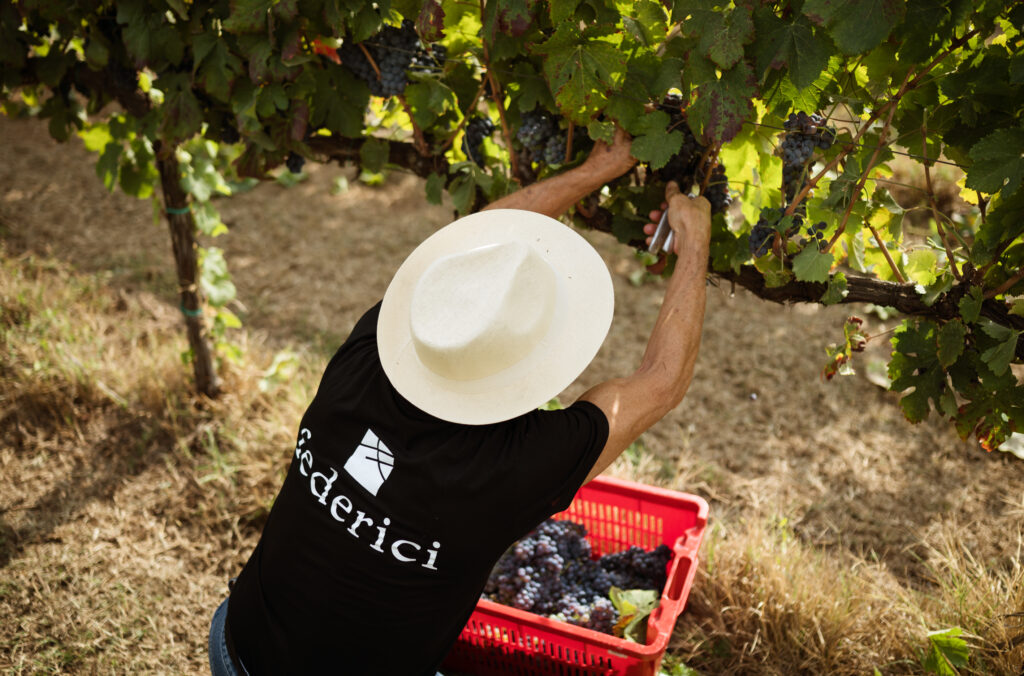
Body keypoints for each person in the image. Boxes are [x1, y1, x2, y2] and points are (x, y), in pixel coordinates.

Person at [207, 129, 712, 676]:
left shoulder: (367, 355)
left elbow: (472, 256)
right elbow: (662, 381)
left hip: (235, 645)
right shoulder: (514, 466)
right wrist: (694, 243)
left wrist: (595, 170)